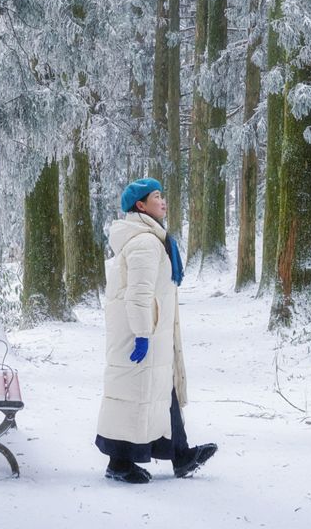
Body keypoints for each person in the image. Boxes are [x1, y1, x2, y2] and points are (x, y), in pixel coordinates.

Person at [95, 177, 217, 484]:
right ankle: (119, 463)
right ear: (141, 205)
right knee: (135, 395)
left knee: (163, 392)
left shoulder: (151, 238)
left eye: (163, 196)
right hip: (141, 332)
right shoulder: (145, 243)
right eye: (157, 197)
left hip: (152, 330)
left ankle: (181, 454)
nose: (163, 202)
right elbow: (138, 294)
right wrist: (141, 335)